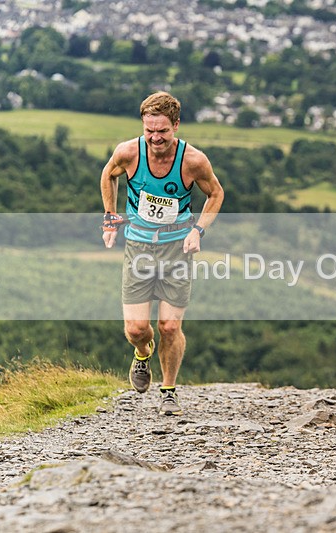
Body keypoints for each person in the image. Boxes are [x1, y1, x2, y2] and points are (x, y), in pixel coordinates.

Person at [100, 91, 224, 416]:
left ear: (176, 126)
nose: (156, 138)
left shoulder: (193, 160)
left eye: (163, 131)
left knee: (170, 326)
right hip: (139, 247)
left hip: (177, 248)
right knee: (136, 329)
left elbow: (216, 193)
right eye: (149, 131)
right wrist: (110, 217)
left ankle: (168, 390)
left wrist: (199, 230)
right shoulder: (128, 152)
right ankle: (143, 354)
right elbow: (108, 174)